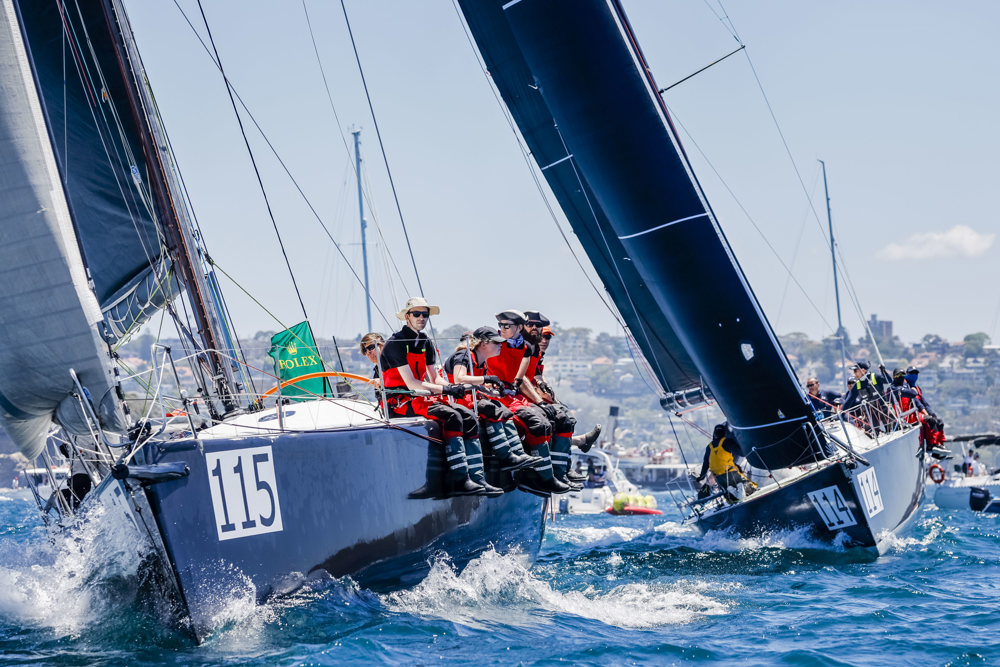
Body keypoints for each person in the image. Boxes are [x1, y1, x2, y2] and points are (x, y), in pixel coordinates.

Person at [380, 297, 495, 498]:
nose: (422, 318)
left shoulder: (425, 341)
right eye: (417, 314)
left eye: (425, 314)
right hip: (400, 401)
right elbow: (411, 384)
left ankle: (477, 479)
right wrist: (447, 391)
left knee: (468, 416)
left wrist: (453, 387)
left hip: (420, 397)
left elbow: (435, 378)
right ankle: (460, 480)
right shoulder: (395, 344)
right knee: (451, 416)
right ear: (407, 317)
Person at [485, 310, 570, 496]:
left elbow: (520, 379)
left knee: (555, 420)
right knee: (538, 423)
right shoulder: (492, 342)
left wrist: (542, 396)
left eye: (507, 326)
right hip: (494, 395)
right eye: (501, 326)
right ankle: (541, 477)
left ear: (518, 327)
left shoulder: (526, 349)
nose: (503, 329)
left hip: (512, 396)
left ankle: (555, 473)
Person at [442, 326, 542, 478]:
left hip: (472, 397)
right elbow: (459, 378)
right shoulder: (464, 355)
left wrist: (493, 388)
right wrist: (487, 379)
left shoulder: (482, 360)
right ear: (483, 344)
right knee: (493, 409)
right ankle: (506, 456)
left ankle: (517, 453)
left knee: (503, 410)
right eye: (496, 343)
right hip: (459, 399)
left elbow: (478, 384)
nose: (500, 346)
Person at [521, 312, 601, 485]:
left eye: (548, 337)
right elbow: (522, 380)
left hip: (531, 397)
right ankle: (559, 465)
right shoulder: (526, 350)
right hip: (522, 399)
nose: (544, 340)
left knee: (566, 417)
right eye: (542, 336)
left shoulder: (536, 354)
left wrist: (552, 398)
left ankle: (563, 468)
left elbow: (538, 379)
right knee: (555, 419)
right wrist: (543, 401)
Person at [694, 423, 755, 502]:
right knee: (751, 489)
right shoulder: (727, 441)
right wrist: (748, 446)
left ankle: (733, 492)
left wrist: (701, 477)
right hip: (731, 473)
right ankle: (738, 489)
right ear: (724, 433)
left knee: (731, 500)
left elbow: (706, 463)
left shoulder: (709, 447)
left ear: (714, 434)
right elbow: (742, 453)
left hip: (719, 477)